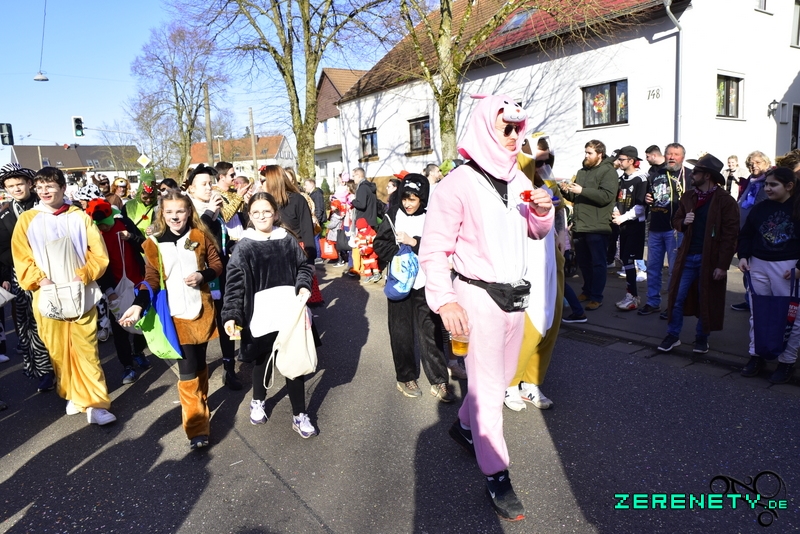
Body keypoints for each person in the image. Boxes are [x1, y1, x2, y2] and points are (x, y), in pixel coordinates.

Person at [419, 94, 553, 521]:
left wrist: (542, 213)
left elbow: (533, 232)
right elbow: (434, 250)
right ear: (484, 128)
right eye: (505, 128)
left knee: (499, 378)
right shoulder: (456, 184)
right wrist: (445, 300)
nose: (514, 136)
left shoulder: (517, 179)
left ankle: (464, 426)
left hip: (515, 297)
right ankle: (497, 474)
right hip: (477, 298)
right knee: (492, 391)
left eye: (517, 129)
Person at [11, 167, 116, 425]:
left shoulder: (79, 217)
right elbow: (21, 257)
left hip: (80, 294)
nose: (44, 191)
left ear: (62, 187)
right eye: (40, 187)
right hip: (47, 296)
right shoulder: (27, 220)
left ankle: (96, 405)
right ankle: (73, 393)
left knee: (87, 350)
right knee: (59, 351)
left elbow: (98, 253)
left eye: (50, 186)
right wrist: (40, 280)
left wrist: (84, 275)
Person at [119, 190, 223, 449]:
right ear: (162, 214)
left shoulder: (199, 236)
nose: (175, 217)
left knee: (200, 364)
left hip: (202, 311)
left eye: (180, 211)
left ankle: (201, 404)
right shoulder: (152, 244)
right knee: (187, 371)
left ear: (189, 212)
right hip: (175, 316)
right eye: (169, 212)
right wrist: (138, 305)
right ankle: (197, 429)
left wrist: (203, 275)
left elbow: (217, 264)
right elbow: (151, 279)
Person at [221, 192, 317, 438]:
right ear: (249, 215)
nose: (262, 216)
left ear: (275, 213)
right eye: (256, 212)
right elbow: (234, 285)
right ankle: (258, 400)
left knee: (294, 364)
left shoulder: (287, 239)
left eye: (267, 211)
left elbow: (304, 266)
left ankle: (299, 414)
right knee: (262, 362)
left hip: (289, 314)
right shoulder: (244, 246)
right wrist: (231, 314)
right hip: (260, 317)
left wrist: (303, 285)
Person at [374, 175, 454, 402]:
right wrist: (398, 253)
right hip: (400, 283)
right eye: (405, 198)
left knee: (431, 332)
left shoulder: (431, 217)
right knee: (401, 333)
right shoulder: (392, 215)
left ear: (423, 199)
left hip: (426, 282)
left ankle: (439, 380)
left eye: (413, 199)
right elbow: (379, 244)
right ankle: (406, 377)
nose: (408, 203)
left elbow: (439, 245)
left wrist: (414, 242)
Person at [504, 133, 565, 411]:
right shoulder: (513, 184)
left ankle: (531, 382)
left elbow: (559, 210)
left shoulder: (548, 183)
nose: (543, 167)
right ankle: (510, 383)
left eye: (547, 161)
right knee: (528, 325)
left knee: (551, 323)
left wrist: (563, 235)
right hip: (525, 262)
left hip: (550, 261)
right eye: (537, 161)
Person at [657, 154, 739, 354]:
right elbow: (675, 220)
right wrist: (683, 222)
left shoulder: (725, 201)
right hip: (686, 256)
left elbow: (731, 236)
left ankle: (702, 338)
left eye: (696, 172)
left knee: (706, 299)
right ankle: (673, 335)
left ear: (707, 175)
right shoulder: (688, 196)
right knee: (676, 297)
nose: (692, 175)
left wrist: (723, 265)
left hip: (710, 259)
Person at [737, 167, 800, 383]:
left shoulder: (797, 208)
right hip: (758, 265)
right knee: (758, 314)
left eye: (773, 185)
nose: (768, 188)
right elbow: (746, 234)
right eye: (766, 184)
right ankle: (757, 355)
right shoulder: (760, 208)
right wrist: (743, 256)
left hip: (788, 269)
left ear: (789, 186)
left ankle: (787, 361)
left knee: (791, 317)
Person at [185, 164, 243, 391]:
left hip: (223, 274)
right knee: (204, 325)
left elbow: (220, 242)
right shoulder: (189, 212)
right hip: (202, 279)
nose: (210, 188)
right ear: (191, 189)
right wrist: (210, 212)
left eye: (210, 183)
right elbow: (193, 241)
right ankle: (199, 374)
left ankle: (230, 368)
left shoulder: (215, 210)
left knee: (228, 320)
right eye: (204, 184)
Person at [0, 164, 55, 392]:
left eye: (19, 184)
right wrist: (11, 269)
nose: (16, 189)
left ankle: (63, 366)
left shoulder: (45, 204)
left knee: (55, 319)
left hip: (51, 270)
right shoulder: (4, 213)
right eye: (10, 186)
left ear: (30, 183)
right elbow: (2, 248)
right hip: (21, 275)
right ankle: (44, 371)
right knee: (30, 324)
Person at [86, 198, 151, 384]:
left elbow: (145, 246)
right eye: (100, 225)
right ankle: (127, 366)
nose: (104, 228)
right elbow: (96, 266)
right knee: (120, 329)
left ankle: (138, 351)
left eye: (106, 224)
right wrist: (108, 290)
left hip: (138, 282)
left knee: (144, 323)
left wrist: (131, 237)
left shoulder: (124, 223)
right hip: (114, 287)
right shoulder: (92, 234)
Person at [559, 140, 617, 310]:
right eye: (585, 152)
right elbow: (576, 198)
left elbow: (606, 196)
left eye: (590, 153)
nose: (586, 156)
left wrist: (582, 190)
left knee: (598, 263)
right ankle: (587, 290)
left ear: (600, 154)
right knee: (584, 263)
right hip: (580, 225)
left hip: (597, 226)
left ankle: (597, 297)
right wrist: (566, 191)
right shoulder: (581, 172)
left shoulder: (608, 171)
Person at [638, 143, 689, 318]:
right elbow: (648, 196)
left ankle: (673, 305)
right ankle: (653, 302)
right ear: (664, 155)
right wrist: (647, 199)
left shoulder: (688, 175)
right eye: (669, 154)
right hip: (655, 228)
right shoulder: (655, 173)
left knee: (675, 269)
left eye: (676, 154)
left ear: (682, 157)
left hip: (675, 230)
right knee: (653, 268)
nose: (672, 157)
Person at [731, 151, 773, 313]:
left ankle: (758, 303)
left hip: (760, 234)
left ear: (766, 164)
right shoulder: (752, 180)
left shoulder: (768, 181)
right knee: (746, 266)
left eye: (757, 162)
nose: (753, 166)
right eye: (750, 163)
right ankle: (749, 300)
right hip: (745, 232)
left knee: (756, 270)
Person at [612, 146, 649, 311]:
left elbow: (640, 207)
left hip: (635, 225)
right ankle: (631, 294)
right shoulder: (621, 179)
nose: (619, 162)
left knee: (629, 259)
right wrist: (615, 211)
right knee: (625, 259)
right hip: (623, 225)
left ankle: (633, 296)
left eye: (622, 159)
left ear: (631, 161)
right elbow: (617, 199)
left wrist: (623, 217)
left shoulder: (641, 179)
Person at [303, 178, 327, 261]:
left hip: (316, 219)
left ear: (311, 184)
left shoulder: (317, 194)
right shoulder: (313, 194)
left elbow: (319, 208)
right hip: (314, 219)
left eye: (306, 185)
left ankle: (318, 256)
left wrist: (317, 219)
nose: (304, 187)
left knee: (316, 238)